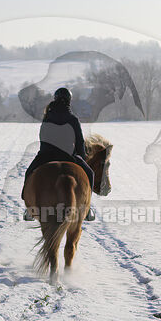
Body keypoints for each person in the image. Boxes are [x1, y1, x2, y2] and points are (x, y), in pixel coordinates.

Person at [23, 87, 95, 221]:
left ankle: (28, 208)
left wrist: (44, 153)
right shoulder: (73, 119)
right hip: (68, 156)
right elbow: (79, 142)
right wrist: (81, 157)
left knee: (29, 173)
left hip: (46, 156)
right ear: (69, 100)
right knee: (90, 174)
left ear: (55, 99)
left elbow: (42, 138)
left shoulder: (47, 118)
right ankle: (87, 208)